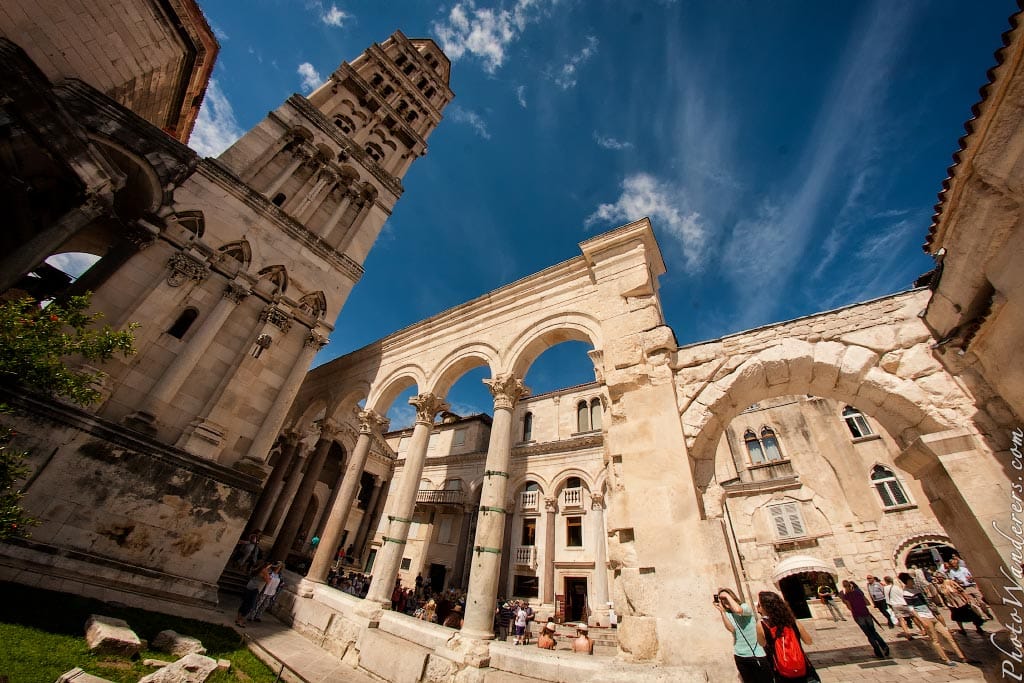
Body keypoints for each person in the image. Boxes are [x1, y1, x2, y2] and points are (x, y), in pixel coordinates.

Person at [898, 572, 970, 667]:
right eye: (911, 579)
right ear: (907, 581)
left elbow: (925, 602)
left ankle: (962, 657)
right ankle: (946, 659)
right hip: (923, 617)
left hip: (930, 615)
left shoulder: (916, 590)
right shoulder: (906, 593)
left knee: (948, 636)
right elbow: (911, 609)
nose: (913, 580)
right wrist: (921, 621)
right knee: (935, 639)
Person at [714, 588, 770, 682]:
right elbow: (731, 629)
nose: (724, 601)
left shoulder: (744, 607)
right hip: (740, 655)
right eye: (722, 600)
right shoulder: (728, 614)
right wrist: (722, 612)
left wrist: (726, 595)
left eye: (725, 598)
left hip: (757, 654)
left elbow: (738, 610)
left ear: (732, 597)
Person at [757, 591, 814, 682]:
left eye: (759, 605)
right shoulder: (793, 622)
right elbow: (808, 641)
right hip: (801, 667)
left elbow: (762, 643)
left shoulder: (761, 625)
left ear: (765, 607)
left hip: (780, 670)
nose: (757, 608)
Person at [839, 580, 889, 658]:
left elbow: (850, 608)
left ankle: (878, 652)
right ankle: (884, 646)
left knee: (868, 634)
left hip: (858, 616)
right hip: (866, 613)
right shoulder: (858, 593)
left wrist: (845, 602)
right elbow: (867, 602)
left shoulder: (846, 596)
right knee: (873, 632)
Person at [882, 575, 916, 640]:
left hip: (894, 605)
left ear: (886, 581)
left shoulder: (885, 588)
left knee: (901, 620)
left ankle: (907, 634)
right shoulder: (896, 587)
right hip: (902, 603)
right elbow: (902, 594)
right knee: (912, 616)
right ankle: (922, 629)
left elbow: (887, 599)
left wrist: (890, 606)